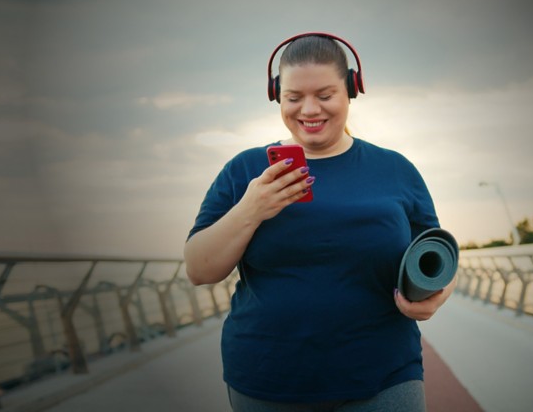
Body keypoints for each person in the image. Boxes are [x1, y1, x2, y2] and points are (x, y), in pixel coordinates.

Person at [184, 33, 456, 412]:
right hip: (267, 380)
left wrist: (438, 295)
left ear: (351, 90)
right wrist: (252, 208)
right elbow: (199, 269)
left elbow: (439, 254)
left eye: (325, 95)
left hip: (384, 374)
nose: (309, 110)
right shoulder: (244, 170)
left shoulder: (395, 169)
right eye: (294, 98)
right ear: (277, 95)